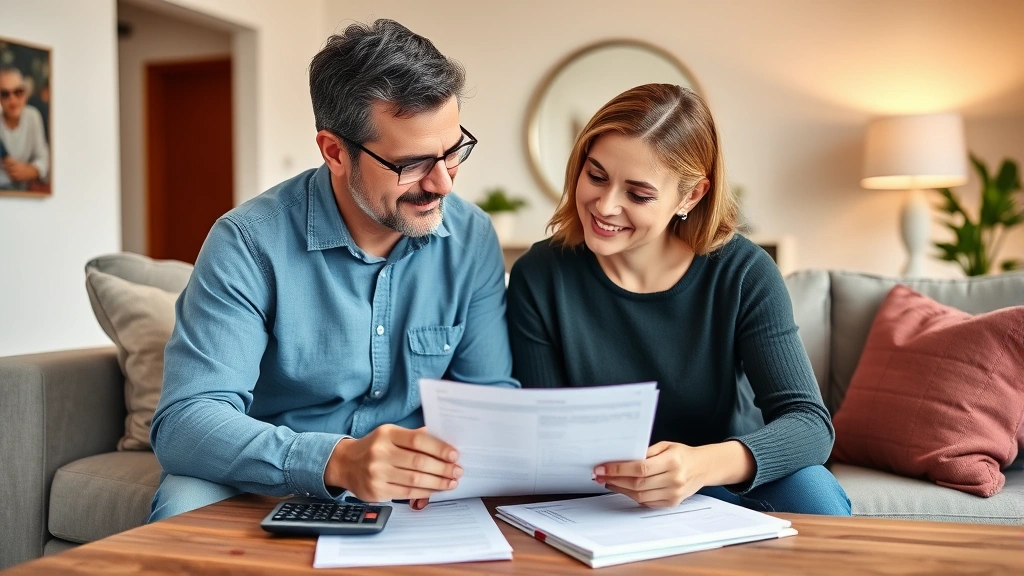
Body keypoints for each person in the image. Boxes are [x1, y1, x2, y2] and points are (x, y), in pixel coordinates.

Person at [149, 19, 517, 521]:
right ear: (335, 151)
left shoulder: (470, 236)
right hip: (269, 471)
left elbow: (486, 397)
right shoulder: (248, 241)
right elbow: (186, 422)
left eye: (452, 152)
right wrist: (339, 460)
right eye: (411, 164)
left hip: (409, 480)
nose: (443, 185)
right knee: (181, 509)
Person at [507, 84, 850, 515]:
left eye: (638, 194)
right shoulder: (539, 276)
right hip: (596, 493)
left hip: (723, 480)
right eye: (596, 176)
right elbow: (546, 433)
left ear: (691, 195)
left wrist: (699, 465)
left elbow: (810, 425)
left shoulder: (743, 272)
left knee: (813, 492)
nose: (605, 205)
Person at [0, 66, 49, 191]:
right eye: (5, 94)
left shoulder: (33, 116)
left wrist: (30, 170)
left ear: (26, 93)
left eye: (18, 92)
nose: (12, 99)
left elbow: (44, 158)